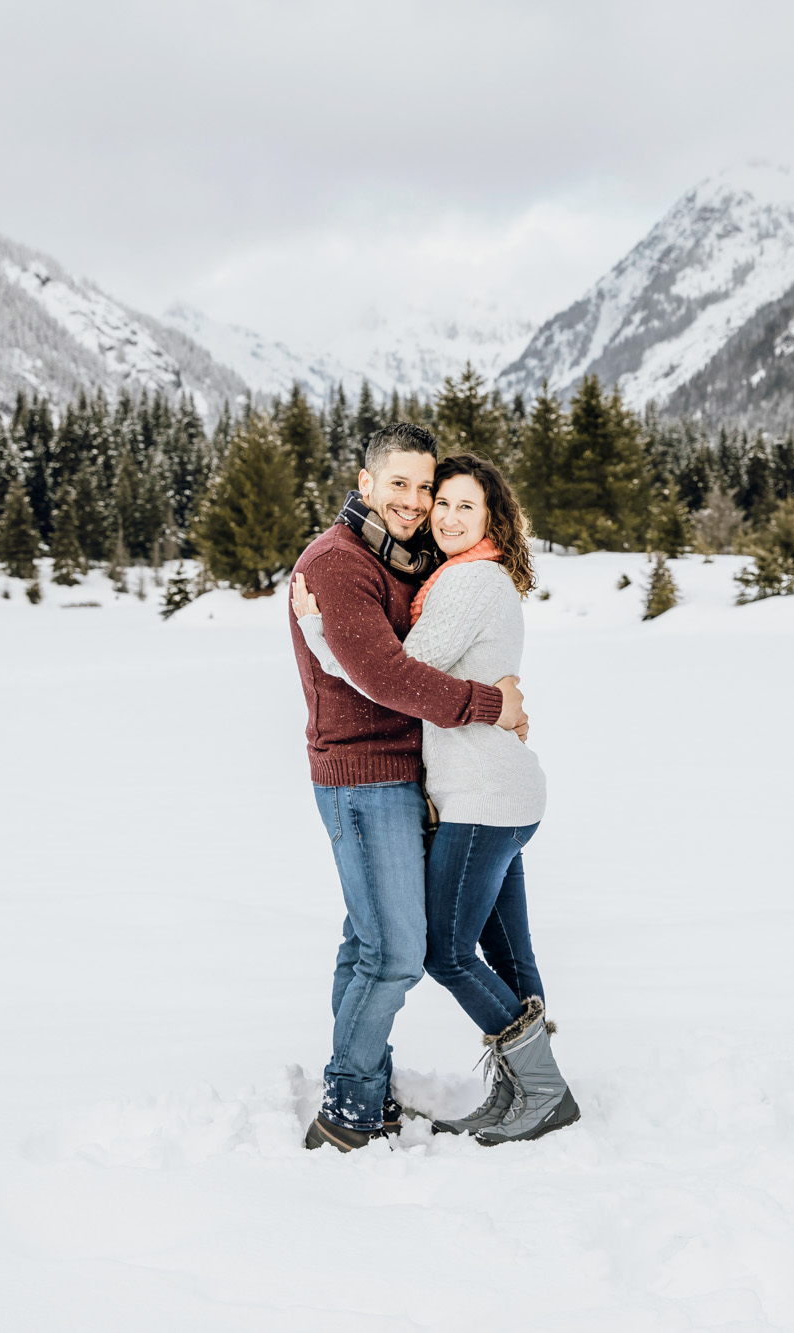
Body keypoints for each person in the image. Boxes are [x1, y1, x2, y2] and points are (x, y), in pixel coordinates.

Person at [294, 452, 579, 1146]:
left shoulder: (465, 584)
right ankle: (531, 1088)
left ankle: (537, 1088)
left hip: (481, 795)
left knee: (445, 953)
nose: (440, 513)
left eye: (459, 504)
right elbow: (402, 670)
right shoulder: (457, 577)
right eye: (436, 499)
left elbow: (396, 671)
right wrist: (498, 704)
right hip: (497, 791)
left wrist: (317, 635)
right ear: (367, 484)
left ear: (492, 519)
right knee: (506, 946)